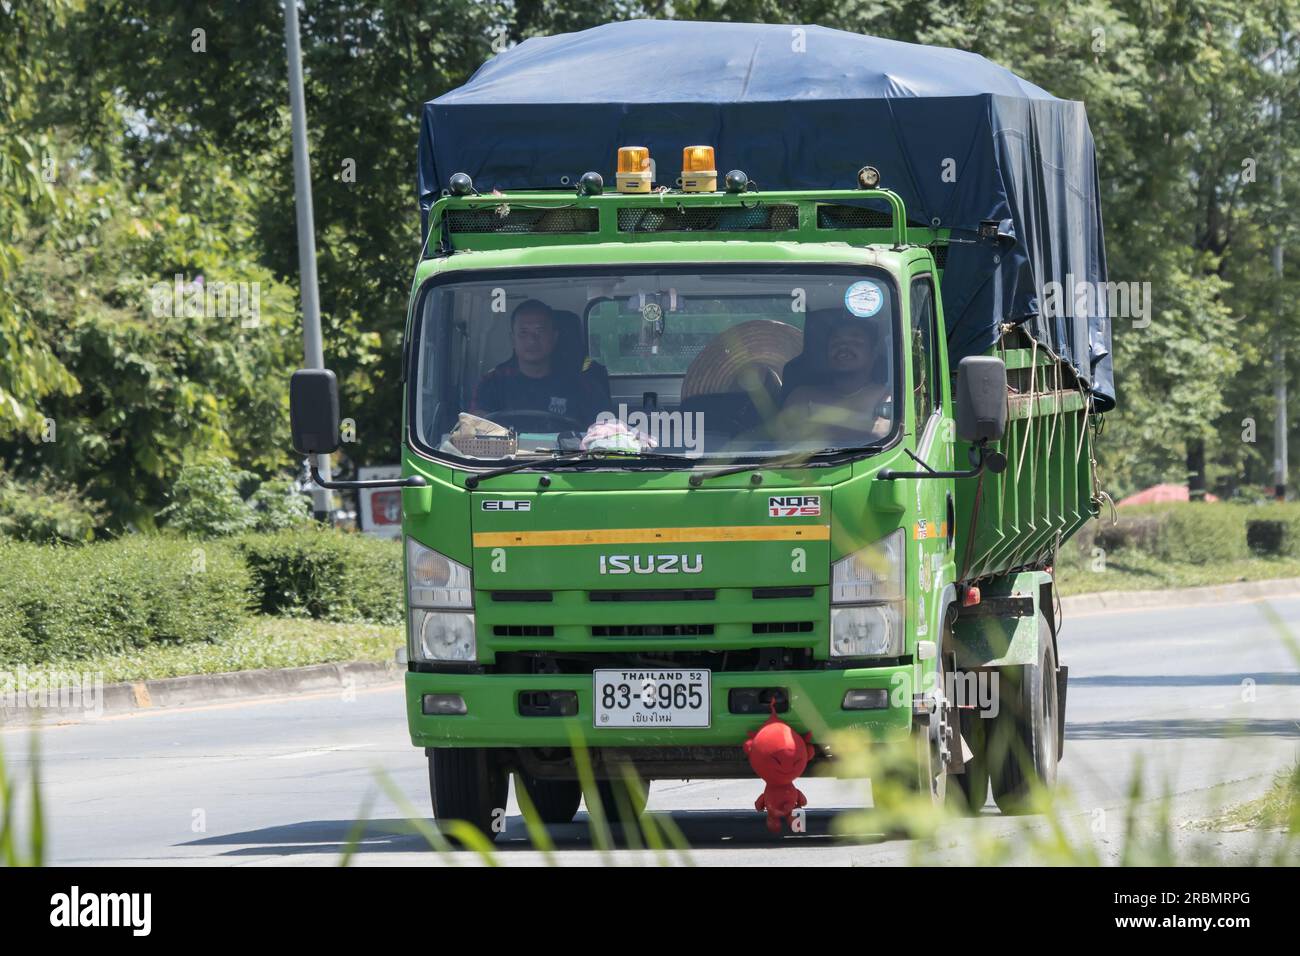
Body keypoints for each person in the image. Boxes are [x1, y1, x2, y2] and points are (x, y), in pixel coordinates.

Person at [471, 299, 611, 429]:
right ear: (512, 339)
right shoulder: (492, 383)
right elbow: (475, 430)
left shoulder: (582, 384)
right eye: (523, 333)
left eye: (540, 331)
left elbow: (605, 434)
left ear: (554, 337)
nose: (532, 340)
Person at [774, 318, 892, 442]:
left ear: (873, 354)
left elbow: (880, 437)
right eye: (836, 343)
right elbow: (780, 443)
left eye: (856, 342)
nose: (844, 347)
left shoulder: (886, 396)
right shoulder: (801, 395)